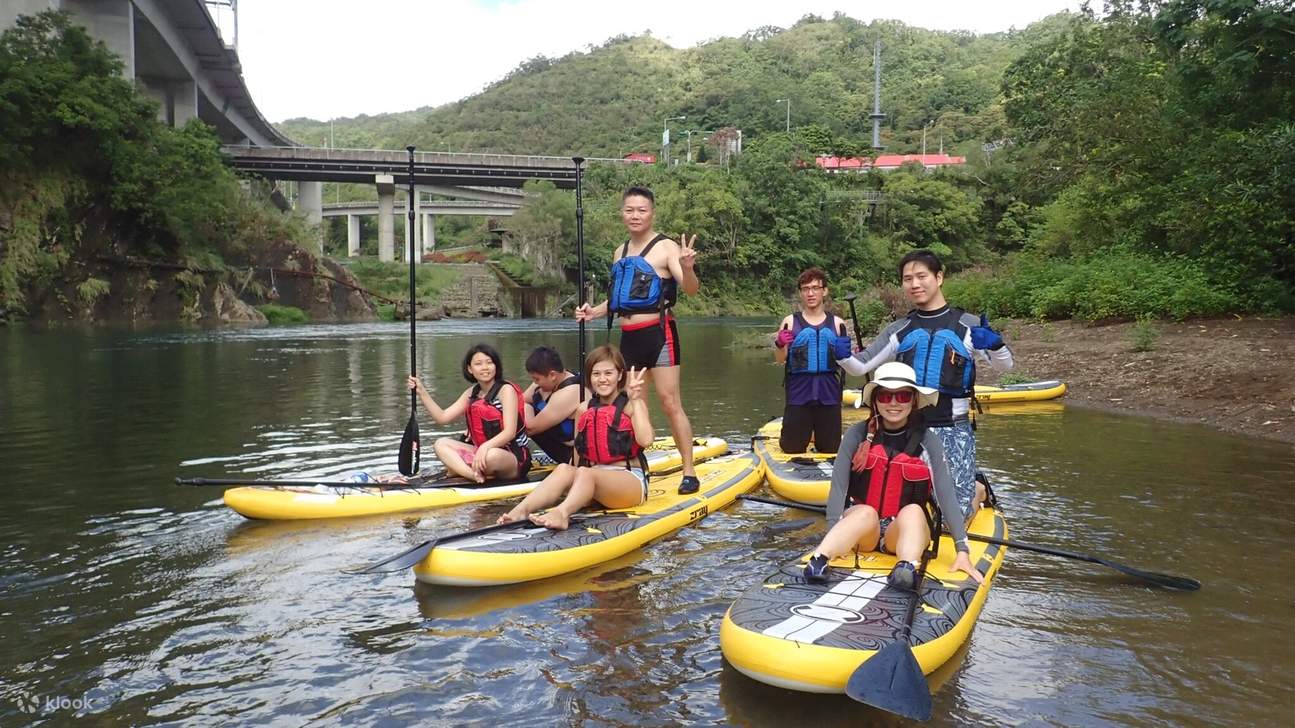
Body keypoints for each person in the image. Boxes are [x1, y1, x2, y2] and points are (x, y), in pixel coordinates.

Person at [835, 249, 1013, 518]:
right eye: (908, 279)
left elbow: (1005, 366)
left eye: (922, 276)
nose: (915, 284)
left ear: (939, 277)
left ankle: (977, 488)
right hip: (907, 427)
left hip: (953, 429)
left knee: (950, 517)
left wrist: (996, 345)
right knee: (895, 507)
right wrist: (842, 356)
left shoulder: (967, 325)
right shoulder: (900, 329)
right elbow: (861, 366)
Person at [804, 362, 984, 589]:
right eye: (886, 397)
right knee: (865, 512)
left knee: (914, 511)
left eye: (902, 396)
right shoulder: (857, 434)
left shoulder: (928, 441)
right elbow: (838, 487)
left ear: (914, 400)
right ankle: (819, 559)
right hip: (865, 533)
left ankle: (906, 566)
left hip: (901, 533)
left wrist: (962, 550)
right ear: (876, 400)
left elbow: (946, 495)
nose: (894, 404)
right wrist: (834, 533)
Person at [575, 186, 702, 494]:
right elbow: (621, 299)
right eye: (629, 210)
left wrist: (687, 267)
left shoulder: (667, 248)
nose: (635, 215)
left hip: (659, 335)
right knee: (633, 405)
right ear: (622, 213)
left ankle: (689, 470)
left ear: (652, 213)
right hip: (628, 338)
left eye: (641, 210)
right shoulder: (620, 252)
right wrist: (593, 312)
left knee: (671, 403)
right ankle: (634, 466)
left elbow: (690, 289)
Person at [497, 345, 653, 530]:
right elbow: (578, 455)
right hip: (593, 480)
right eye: (596, 374)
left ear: (619, 375)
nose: (602, 379)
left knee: (586, 473)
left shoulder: (631, 405)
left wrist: (636, 400)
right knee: (564, 468)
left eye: (608, 373)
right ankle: (521, 510)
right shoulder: (583, 409)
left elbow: (646, 440)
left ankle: (561, 514)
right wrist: (569, 481)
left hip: (629, 482)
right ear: (590, 377)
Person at [407, 343, 531, 484]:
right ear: (470, 369)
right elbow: (442, 417)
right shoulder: (471, 393)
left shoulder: (506, 391)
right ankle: (472, 475)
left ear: (496, 366)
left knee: (491, 455)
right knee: (440, 444)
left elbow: (509, 432)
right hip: (481, 453)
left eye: (489, 363)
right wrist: (422, 392)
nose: (485, 367)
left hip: (512, 457)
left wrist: (485, 447)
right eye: (478, 364)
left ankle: (457, 468)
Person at [773, 267, 853, 454]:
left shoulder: (837, 323)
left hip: (828, 393)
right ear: (800, 293)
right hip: (799, 391)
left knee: (831, 447)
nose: (810, 293)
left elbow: (846, 363)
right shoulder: (790, 322)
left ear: (824, 291)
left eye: (815, 288)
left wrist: (846, 354)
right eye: (805, 288)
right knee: (791, 447)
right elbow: (780, 359)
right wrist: (779, 344)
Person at [521, 346, 582, 465]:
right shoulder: (546, 382)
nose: (535, 383)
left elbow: (530, 428)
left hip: (574, 455)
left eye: (537, 379)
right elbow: (521, 400)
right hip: (559, 445)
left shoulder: (570, 391)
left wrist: (526, 406)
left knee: (518, 422)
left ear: (552, 375)